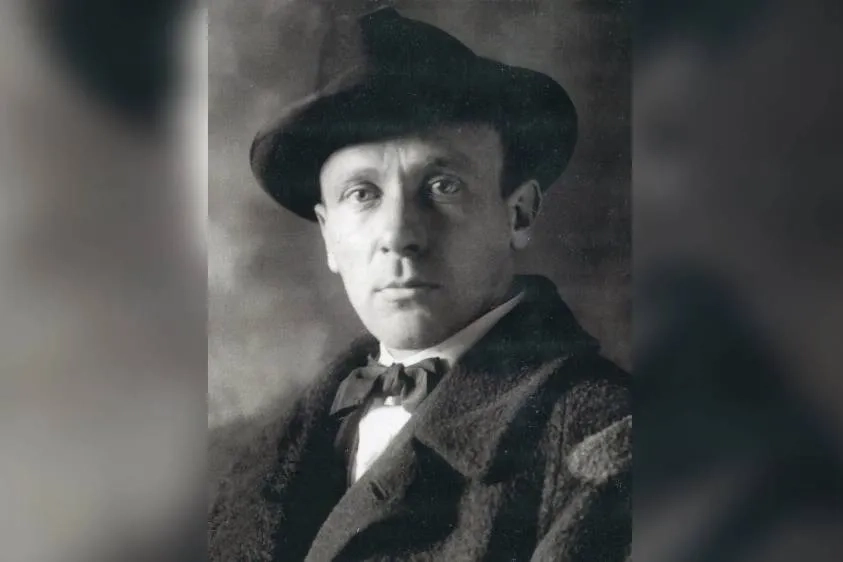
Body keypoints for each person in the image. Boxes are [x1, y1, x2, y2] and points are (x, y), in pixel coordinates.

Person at [209, 7, 630, 561]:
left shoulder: (607, 435)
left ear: (519, 214)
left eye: (442, 185)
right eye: (362, 194)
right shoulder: (263, 451)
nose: (399, 235)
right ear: (329, 235)